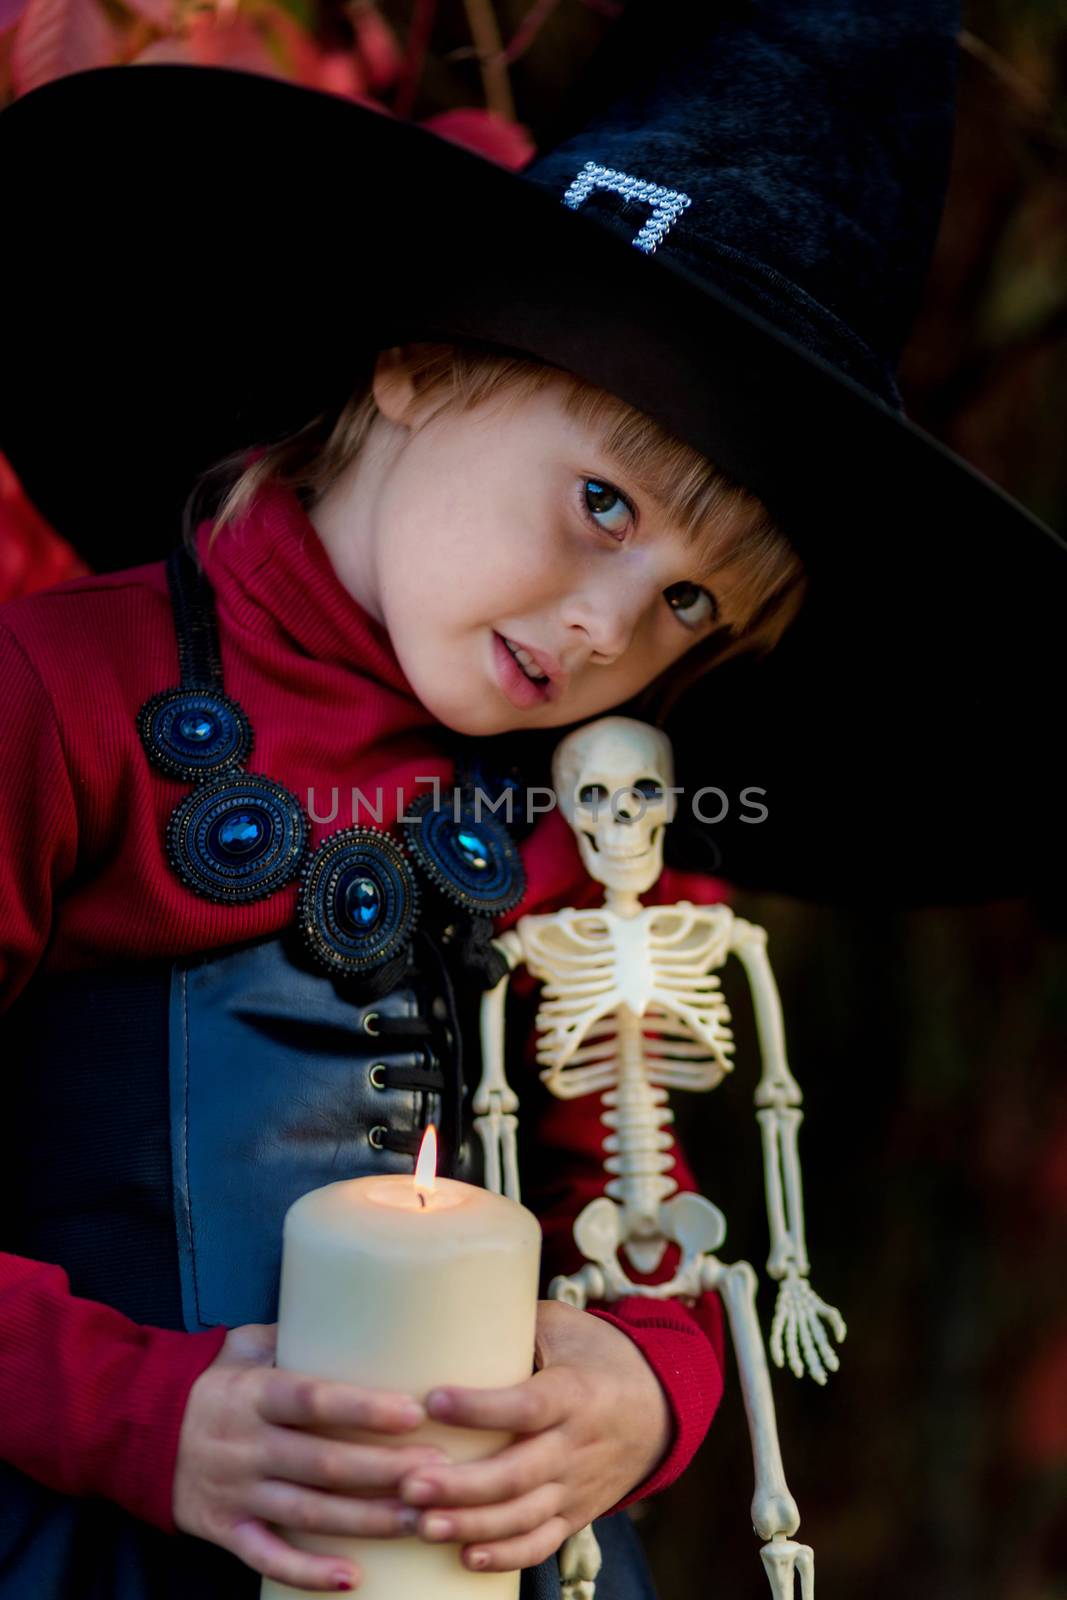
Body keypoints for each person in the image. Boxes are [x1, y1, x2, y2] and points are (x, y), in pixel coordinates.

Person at [2, 3, 1064, 1599]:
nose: (604, 630)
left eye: (691, 607)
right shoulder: (60, 700)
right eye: (599, 503)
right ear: (420, 364)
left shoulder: (594, 829)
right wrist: (140, 1416)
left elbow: (634, 1204)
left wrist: (645, 1392)